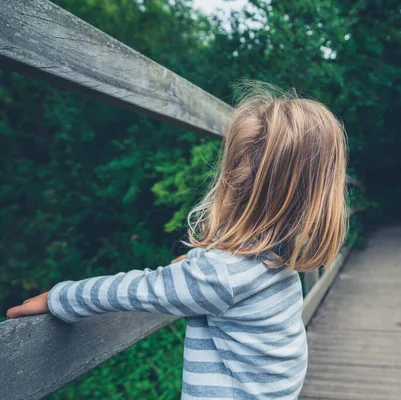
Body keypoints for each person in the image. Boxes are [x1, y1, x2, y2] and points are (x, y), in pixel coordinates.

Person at [7, 81, 349, 400]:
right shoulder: (277, 255)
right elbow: (220, 278)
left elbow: (135, 289)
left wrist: (59, 296)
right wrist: (197, 267)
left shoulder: (219, 275)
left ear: (233, 177)